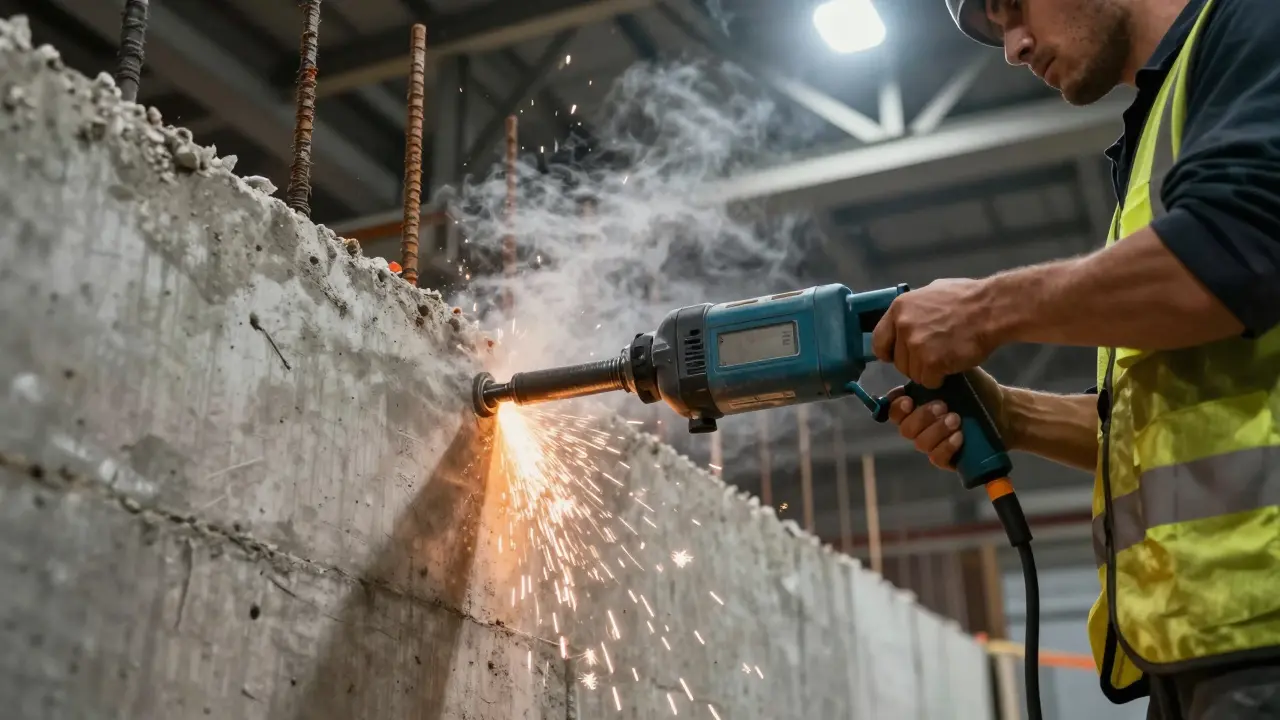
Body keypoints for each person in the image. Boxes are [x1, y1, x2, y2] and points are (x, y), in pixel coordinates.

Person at [871, 0, 1280, 717]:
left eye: (1011, 7)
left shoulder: (1255, 23)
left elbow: (1230, 252)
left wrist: (982, 310)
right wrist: (1012, 415)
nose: (1013, 47)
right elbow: (1163, 431)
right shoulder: (1161, 131)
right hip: (1206, 649)